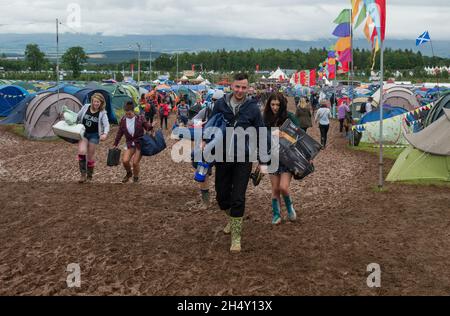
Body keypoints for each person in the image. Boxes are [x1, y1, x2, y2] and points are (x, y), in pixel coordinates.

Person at [208, 73, 268, 253]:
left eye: (244, 87)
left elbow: (261, 133)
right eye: (237, 87)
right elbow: (211, 126)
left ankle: (236, 237)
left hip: (244, 158)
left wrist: (263, 161)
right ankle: (231, 217)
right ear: (231, 86)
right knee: (221, 197)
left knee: (238, 197)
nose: (240, 90)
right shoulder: (220, 104)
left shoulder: (253, 108)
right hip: (222, 156)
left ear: (248, 88)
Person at [263, 93, 299, 225]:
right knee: (275, 189)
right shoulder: (265, 118)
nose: (275, 107)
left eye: (278, 104)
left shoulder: (290, 117)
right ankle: (277, 214)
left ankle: (290, 208)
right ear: (269, 104)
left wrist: (284, 135)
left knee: (283, 187)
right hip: (271, 157)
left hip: (287, 158)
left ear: (282, 105)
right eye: (272, 104)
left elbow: (299, 136)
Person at [113, 101, 152, 183]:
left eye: (129, 114)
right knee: (125, 161)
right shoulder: (123, 120)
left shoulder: (140, 118)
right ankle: (129, 173)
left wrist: (151, 126)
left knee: (135, 162)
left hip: (140, 143)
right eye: (126, 114)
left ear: (133, 111)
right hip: (130, 143)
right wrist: (115, 144)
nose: (128, 116)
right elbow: (119, 133)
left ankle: (136, 177)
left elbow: (147, 127)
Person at [76, 93, 110, 183]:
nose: (96, 104)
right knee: (82, 151)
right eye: (95, 101)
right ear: (92, 101)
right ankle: (83, 175)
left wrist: (105, 134)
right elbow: (78, 116)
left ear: (101, 103)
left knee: (90, 156)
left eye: (98, 102)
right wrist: (70, 122)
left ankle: (89, 176)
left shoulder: (102, 113)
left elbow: (106, 125)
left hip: (94, 135)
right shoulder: (86, 107)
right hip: (83, 133)